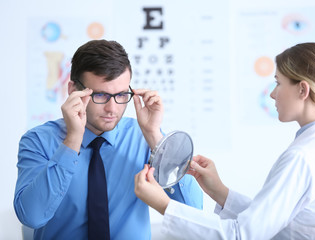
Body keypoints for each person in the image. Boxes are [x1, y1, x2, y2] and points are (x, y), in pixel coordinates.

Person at [134, 42, 315, 239]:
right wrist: (220, 192)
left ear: (302, 89)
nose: (272, 94)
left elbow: (242, 235)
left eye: (278, 83)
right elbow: (284, 224)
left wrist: (164, 205)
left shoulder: (303, 157)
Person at [14, 39, 203, 239]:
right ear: (73, 90)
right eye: (101, 95)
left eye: (121, 95)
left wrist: (155, 136)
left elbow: (192, 213)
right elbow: (32, 217)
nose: (112, 108)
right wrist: (72, 140)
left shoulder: (143, 137)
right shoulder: (38, 141)